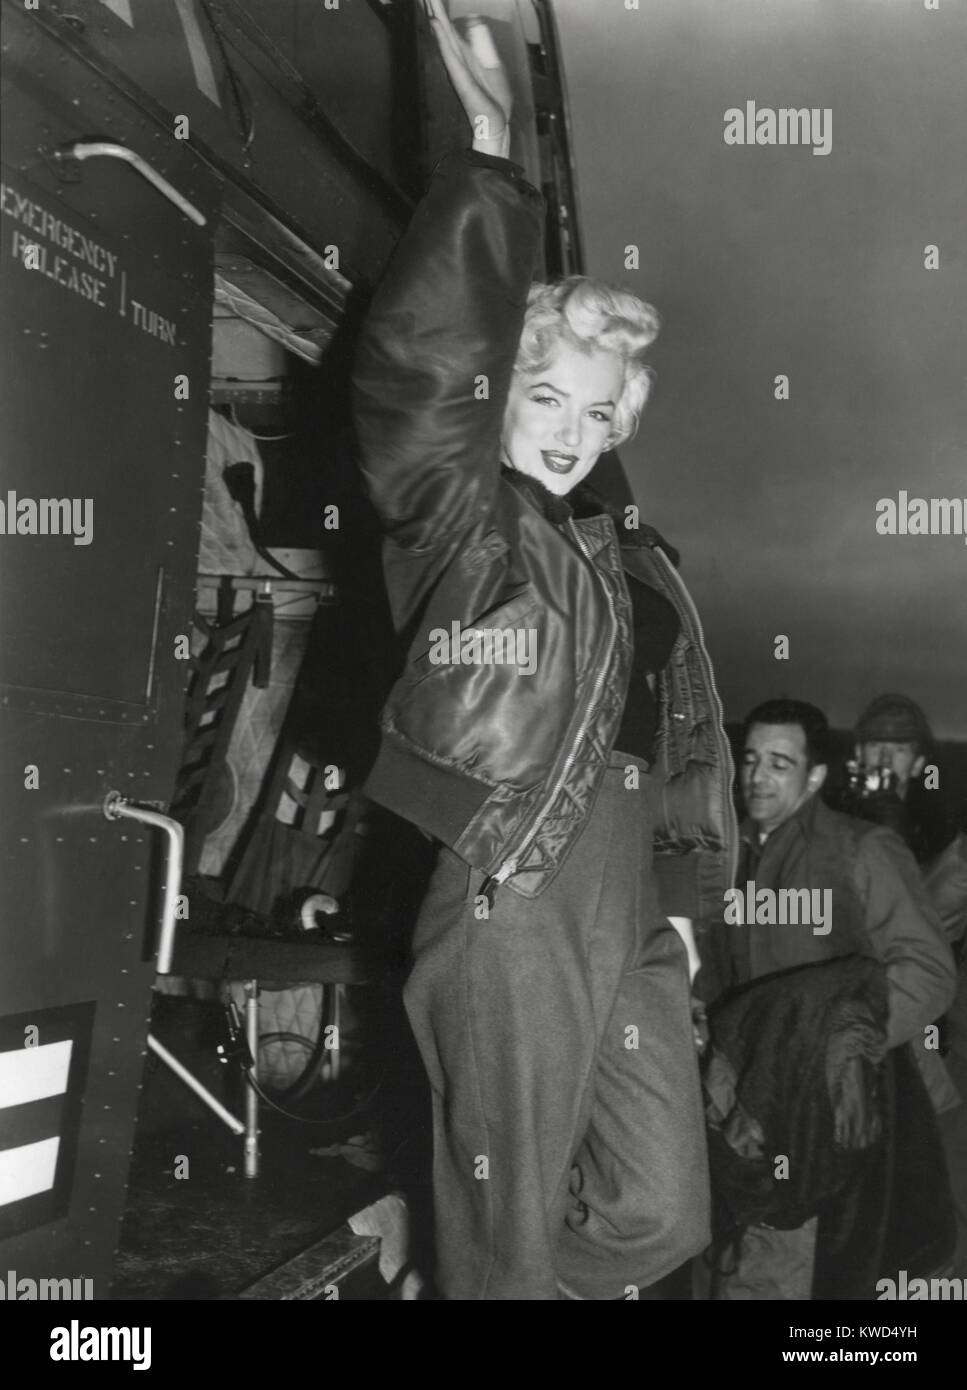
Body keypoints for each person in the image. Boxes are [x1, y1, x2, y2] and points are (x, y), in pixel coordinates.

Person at [350, 0, 737, 1300]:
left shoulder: (638, 566)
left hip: (629, 904)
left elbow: (689, 754)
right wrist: (482, 165)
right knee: (502, 1233)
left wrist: (679, 920)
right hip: (517, 876)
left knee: (657, 1211)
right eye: (540, 394)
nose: (569, 428)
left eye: (596, 404)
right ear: (497, 395)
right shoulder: (467, 518)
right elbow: (418, 368)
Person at [700, 698, 957, 1298]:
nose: (758, 777)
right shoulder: (727, 857)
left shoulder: (860, 849)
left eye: (780, 764)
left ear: (814, 777)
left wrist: (832, 1046)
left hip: (832, 1107)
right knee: (742, 1253)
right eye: (751, 760)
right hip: (746, 1106)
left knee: (810, 1262)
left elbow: (928, 971)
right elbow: (719, 977)